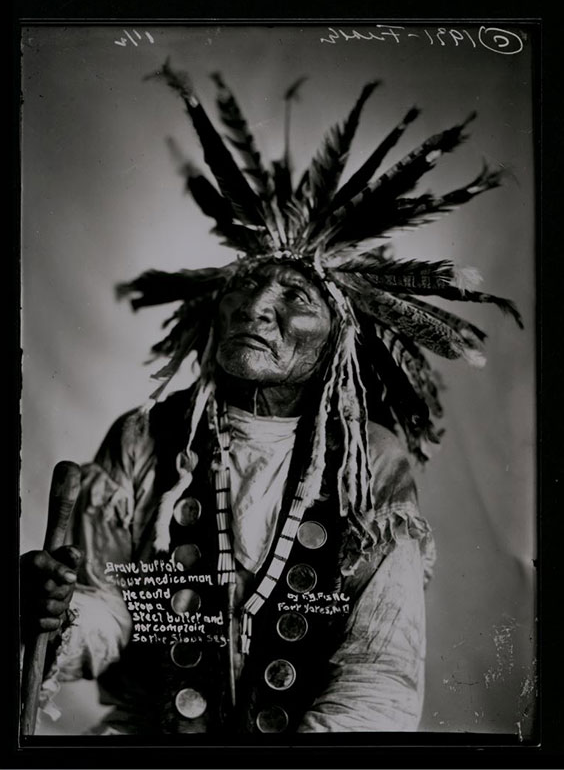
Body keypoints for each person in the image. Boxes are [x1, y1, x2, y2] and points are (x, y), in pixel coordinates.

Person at [20, 62, 521, 735]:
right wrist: (56, 612)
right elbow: (113, 609)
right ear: (212, 312)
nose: (257, 307)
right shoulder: (147, 439)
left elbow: (379, 671)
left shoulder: (367, 463)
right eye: (244, 289)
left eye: (295, 297)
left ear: (338, 339)